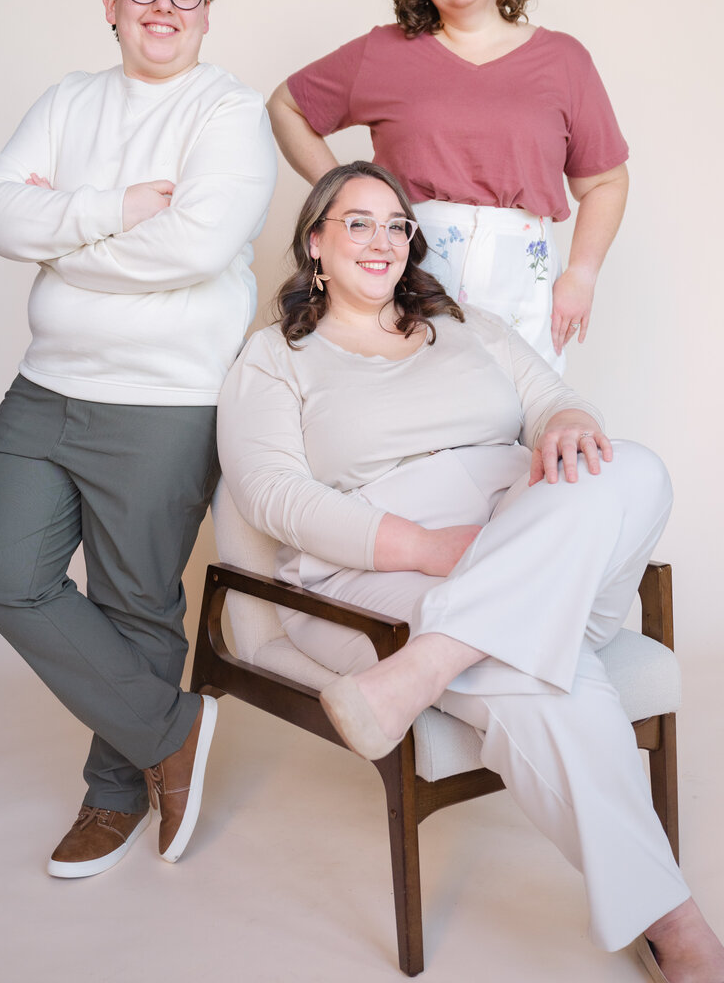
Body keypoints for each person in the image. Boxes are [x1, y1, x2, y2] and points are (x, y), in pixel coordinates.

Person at [217, 162, 724, 979]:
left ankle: (429, 662)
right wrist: (424, 546)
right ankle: (676, 923)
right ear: (315, 241)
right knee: (534, 678)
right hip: (374, 576)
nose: (381, 241)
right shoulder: (275, 358)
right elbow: (274, 496)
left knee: (634, 467)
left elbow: (558, 403)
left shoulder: (467, 324)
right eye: (357, 223)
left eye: (396, 225)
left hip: (529, 548)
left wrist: (564, 421)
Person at [0, 0, 276, 879]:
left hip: (164, 399)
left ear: (208, 11)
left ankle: (113, 794)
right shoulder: (68, 99)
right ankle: (170, 732)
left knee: (139, 604)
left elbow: (197, 246)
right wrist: (108, 211)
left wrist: (58, 237)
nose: (163, 7)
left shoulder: (230, 114)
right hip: (45, 384)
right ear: (111, 3)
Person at [267, 0, 629, 373]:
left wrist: (582, 274)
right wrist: (347, 202)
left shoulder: (564, 60)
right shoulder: (385, 53)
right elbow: (286, 106)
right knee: (415, 421)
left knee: (521, 426)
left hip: (523, 275)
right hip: (412, 266)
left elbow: (605, 180)